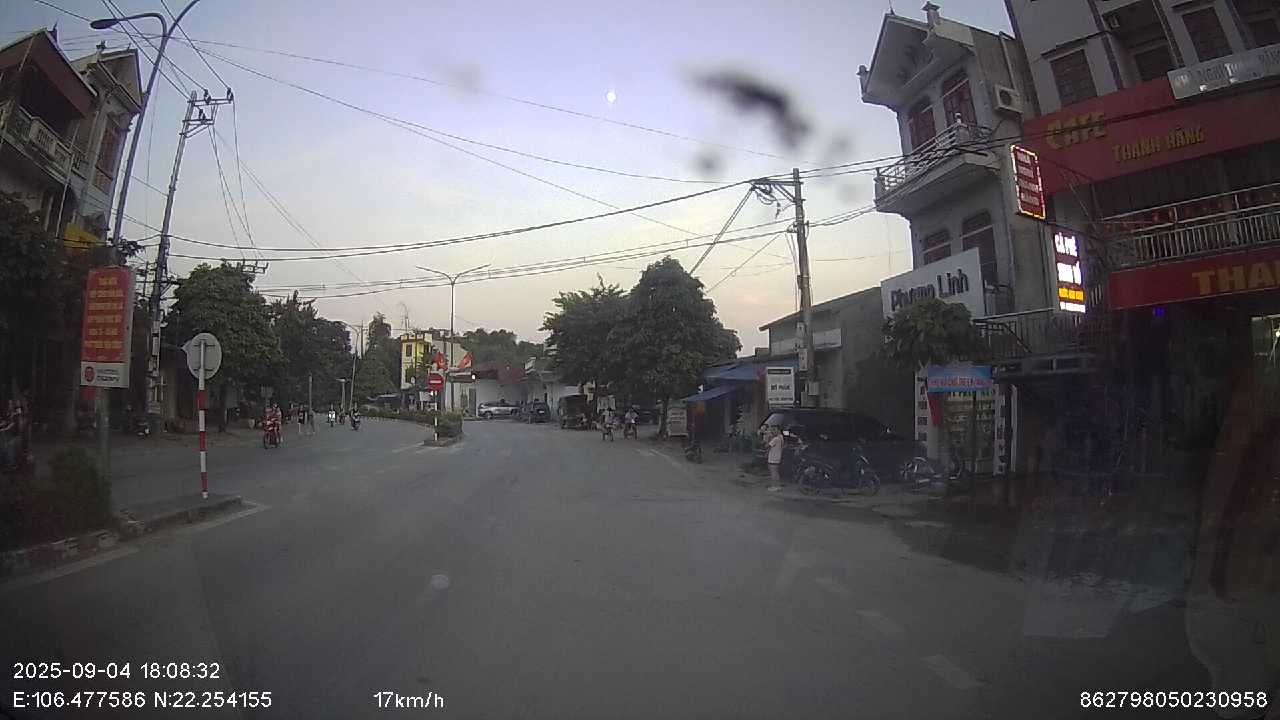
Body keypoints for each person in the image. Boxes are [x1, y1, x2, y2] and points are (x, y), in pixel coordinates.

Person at [766, 426, 785, 492]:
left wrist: (768, 438)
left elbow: (767, 446)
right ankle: (778, 486)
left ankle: (774, 486)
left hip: (773, 457)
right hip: (778, 456)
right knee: (776, 472)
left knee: (773, 473)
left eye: (774, 430)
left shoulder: (775, 439)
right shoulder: (781, 437)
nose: (773, 431)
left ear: (778, 430)